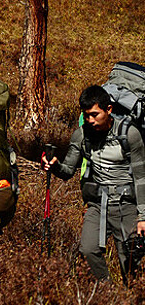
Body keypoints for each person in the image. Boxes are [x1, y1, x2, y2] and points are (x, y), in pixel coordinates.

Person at [42, 85, 145, 284]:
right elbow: (67, 171)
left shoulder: (129, 134)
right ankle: (106, 295)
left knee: (130, 261)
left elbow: (141, 177)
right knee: (88, 249)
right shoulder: (81, 135)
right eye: (87, 115)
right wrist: (54, 166)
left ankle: (132, 302)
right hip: (98, 205)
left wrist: (143, 216)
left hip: (127, 205)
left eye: (95, 114)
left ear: (109, 110)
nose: (90, 120)